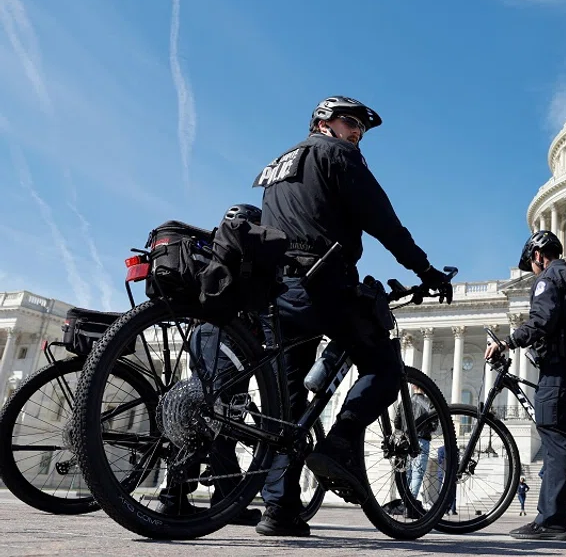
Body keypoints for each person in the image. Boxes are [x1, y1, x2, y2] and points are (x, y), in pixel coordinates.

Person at [253, 96, 453, 536]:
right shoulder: (336, 154)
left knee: (287, 407)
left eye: (361, 129)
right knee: (384, 365)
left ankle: (279, 509)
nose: (357, 134)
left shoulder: (280, 163)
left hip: (277, 289)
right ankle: (341, 441)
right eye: (350, 123)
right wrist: (424, 269)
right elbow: (383, 220)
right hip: (321, 282)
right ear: (324, 124)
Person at [485, 230, 566, 541]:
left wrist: (508, 342)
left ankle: (551, 521)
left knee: (554, 443)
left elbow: (541, 319)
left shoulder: (548, 278)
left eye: (532, 264)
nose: (533, 270)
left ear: (539, 255)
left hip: (558, 373)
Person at [157, 204, 264, 527]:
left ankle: (174, 496)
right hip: (229, 342)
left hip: (202, 335)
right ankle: (227, 499)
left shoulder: (219, 254)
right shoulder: (248, 255)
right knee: (224, 419)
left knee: (195, 413)